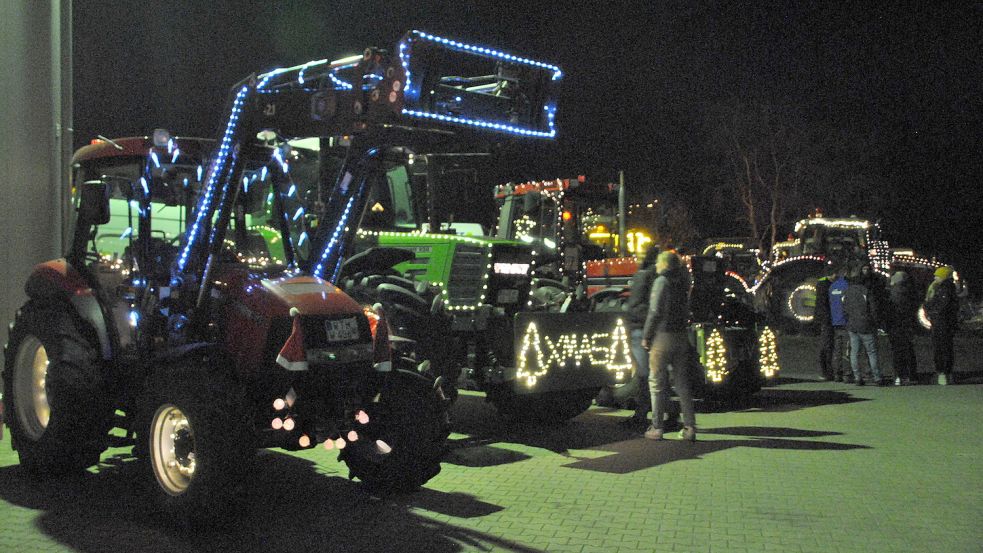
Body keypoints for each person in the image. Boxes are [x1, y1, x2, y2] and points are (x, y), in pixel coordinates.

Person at [641, 251, 697, 441]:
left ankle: (657, 427)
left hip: (662, 337)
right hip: (681, 336)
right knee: (682, 384)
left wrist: (647, 336)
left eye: (658, 262)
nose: (656, 265)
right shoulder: (683, 282)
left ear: (664, 264)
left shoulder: (661, 282)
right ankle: (689, 427)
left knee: (656, 382)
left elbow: (655, 311)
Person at [619, 243, 659, 428]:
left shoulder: (643, 276)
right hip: (657, 330)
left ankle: (642, 415)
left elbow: (635, 305)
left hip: (640, 330)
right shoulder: (661, 277)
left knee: (644, 375)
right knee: (656, 374)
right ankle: (667, 412)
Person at [842, 263, 884, 385]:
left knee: (854, 352)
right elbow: (873, 309)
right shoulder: (866, 291)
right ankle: (877, 377)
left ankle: (857, 377)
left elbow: (844, 309)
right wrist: (876, 323)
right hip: (866, 325)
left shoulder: (847, 292)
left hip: (852, 325)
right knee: (871, 352)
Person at [925, 265, 958, 385]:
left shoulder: (944, 288)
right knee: (945, 348)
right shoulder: (943, 287)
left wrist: (930, 311)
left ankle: (942, 373)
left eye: (937, 275)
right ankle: (946, 373)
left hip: (942, 323)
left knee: (942, 348)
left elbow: (942, 306)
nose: (934, 277)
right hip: (941, 323)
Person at [887, 270, 918, 385]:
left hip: (896, 324)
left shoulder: (894, 292)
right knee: (908, 349)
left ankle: (899, 375)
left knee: (897, 351)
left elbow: (890, 309)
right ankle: (911, 375)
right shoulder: (910, 291)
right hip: (907, 324)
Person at [828, 267, 852, 382]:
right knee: (847, 349)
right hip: (845, 322)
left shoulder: (832, 287)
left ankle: (837, 373)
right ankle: (847, 374)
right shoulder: (847, 286)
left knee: (837, 350)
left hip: (835, 321)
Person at [814, 263, 837, 380]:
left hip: (825, 319)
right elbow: (824, 304)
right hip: (827, 319)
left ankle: (826, 371)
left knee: (826, 344)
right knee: (827, 345)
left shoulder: (822, 283)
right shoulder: (826, 285)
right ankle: (827, 372)